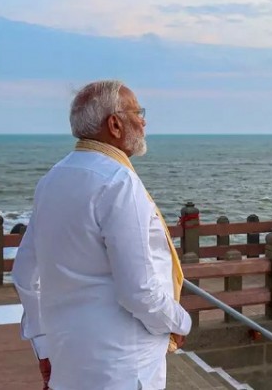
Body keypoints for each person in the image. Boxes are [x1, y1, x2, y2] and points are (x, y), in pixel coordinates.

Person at [12, 81, 192, 390]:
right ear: (115, 124)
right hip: (122, 366)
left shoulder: (52, 179)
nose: (144, 122)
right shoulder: (119, 182)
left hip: (68, 360)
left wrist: (43, 344)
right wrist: (181, 321)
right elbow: (139, 291)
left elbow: (25, 274)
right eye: (138, 112)